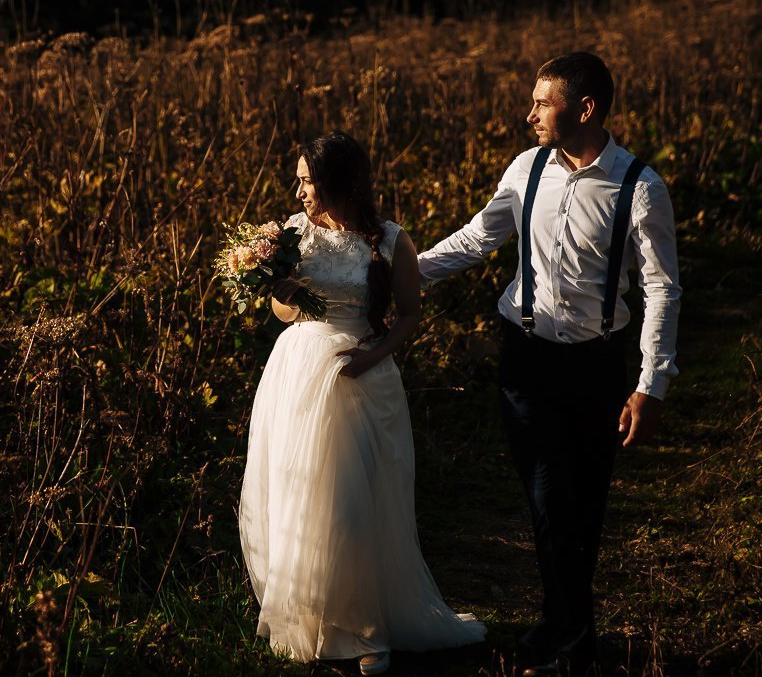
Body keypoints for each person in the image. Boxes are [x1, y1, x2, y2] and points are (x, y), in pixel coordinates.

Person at [418, 53, 681, 676]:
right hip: (525, 358)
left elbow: (662, 289)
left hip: (595, 365)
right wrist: (403, 274)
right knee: (546, 496)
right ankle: (570, 637)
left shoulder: (640, 186)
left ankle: (566, 630)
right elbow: (477, 239)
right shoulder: (525, 169)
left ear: (584, 109)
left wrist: (650, 384)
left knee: (582, 503)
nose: (528, 113)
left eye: (542, 102)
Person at [238, 131, 486, 676]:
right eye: (299, 179)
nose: (298, 189)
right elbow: (286, 314)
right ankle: (312, 618)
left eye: (307, 180)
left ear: (338, 182)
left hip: (358, 375)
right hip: (298, 371)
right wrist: (278, 286)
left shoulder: (391, 239)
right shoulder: (292, 234)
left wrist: (369, 360)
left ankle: (368, 628)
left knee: (352, 501)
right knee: (300, 492)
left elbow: (409, 316)